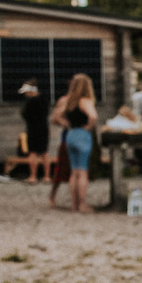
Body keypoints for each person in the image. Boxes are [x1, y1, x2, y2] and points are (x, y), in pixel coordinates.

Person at [54, 73, 98, 213]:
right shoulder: (85, 101)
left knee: (74, 172)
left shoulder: (68, 101)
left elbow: (56, 117)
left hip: (71, 134)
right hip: (82, 134)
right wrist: (88, 127)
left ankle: (74, 205)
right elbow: (93, 116)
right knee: (82, 171)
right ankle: (82, 204)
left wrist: (67, 124)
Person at [18, 80, 50, 183]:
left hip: (32, 129)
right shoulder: (44, 100)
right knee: (44, 152)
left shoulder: (29, 102)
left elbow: (25, 115)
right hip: (44, 128)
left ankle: (33, 176)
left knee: (32, 153)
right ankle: (46, 176)